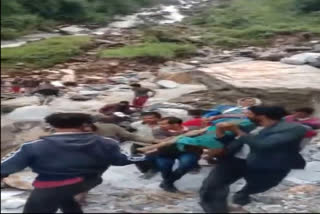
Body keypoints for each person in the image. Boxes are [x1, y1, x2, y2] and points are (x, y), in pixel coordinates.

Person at [1, 113, 147, 213]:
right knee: (68, 201)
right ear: (84, 125)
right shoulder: (107, 142)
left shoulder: (34, 146)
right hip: (87, 182)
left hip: (50, 187)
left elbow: (7, 166)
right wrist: (145, 156)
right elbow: (121, 160)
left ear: (51, 125)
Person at [199, 106, 307, 213]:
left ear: (261, 116)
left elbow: (263, 145)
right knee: (211, 187)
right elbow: (232, 141)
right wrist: (220, 130)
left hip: (266, 165)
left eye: (248, 113)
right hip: (235, 161)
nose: (245, 115)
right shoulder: (250, 126)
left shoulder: (294, 128)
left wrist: (236, 130)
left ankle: (241, 200)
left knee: (255, 188)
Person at [152, 117, 202, 192]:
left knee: (186, 165)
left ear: (176, 124)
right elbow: (164, 140)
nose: (161, 126)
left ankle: (168, 182)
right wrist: (184, 135)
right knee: (164, 168)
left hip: (187, 151)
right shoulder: (158, 131)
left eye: (164, 124)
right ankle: (168, 183)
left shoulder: (193, 129)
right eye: (160, 124)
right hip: (166, 153)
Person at [130, 112, 162, 179]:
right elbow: (129, 131)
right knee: (136, 159)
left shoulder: (163, 125)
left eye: (150, 118)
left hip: (155, 145)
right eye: (145, 118)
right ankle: (144, 172)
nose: (147, 120)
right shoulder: (136, 124)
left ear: (158, 118)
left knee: (151, 160)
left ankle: (154, 171)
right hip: (138, 144)